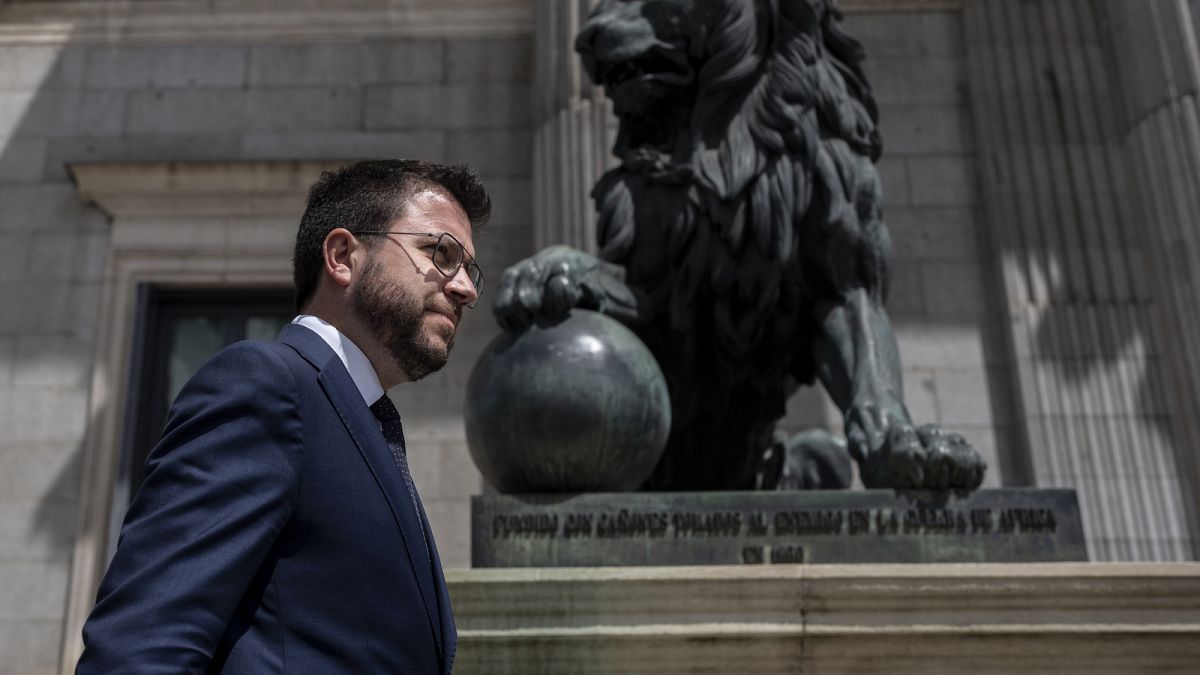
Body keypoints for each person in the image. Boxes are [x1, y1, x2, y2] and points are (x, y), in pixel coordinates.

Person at [76, 159, 490, 674]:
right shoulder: (266, 384)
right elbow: (140, 647)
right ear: (343, 257)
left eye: (469, 269)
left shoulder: (363, 417)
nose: (466, 289)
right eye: (440, 253)